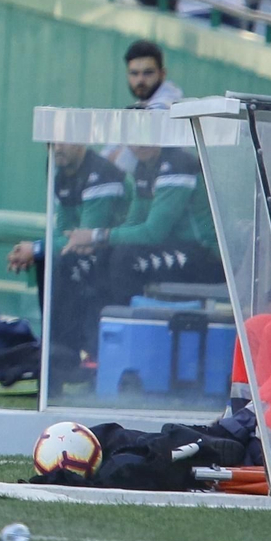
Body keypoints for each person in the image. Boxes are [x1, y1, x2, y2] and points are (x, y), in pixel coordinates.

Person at [53, 141, 222, 377]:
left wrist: (96, 235)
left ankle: (129, 355)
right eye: (134, 137)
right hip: (173, 250)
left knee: (124, 260)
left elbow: (153, 232)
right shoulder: (144, 169)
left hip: (207, 257)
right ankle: (82, 352)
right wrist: (96, 243)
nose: (140, 144)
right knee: (97, 257)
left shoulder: (177, 165)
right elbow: (133, 225)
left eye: (149, 136)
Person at [7, 142, 130, 311]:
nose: (56, 148)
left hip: (116, 250)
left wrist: (36, 249)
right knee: (48, 259)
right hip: (94, 250)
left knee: (57, 260)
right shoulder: (59, 174)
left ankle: (71, 335)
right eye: (51, 143)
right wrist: (35, 252)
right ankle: (51, 335)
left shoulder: (101, 172)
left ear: (79, 143)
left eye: (62, 142)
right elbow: (63, 231)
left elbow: (85, 238)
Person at [105, 40, 182, 172]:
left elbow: (120, 165)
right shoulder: (139, 106)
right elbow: (105, 158)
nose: (140, 80)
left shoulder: (170, 101)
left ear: (162, 74)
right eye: (134, 73)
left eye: (148, 73)